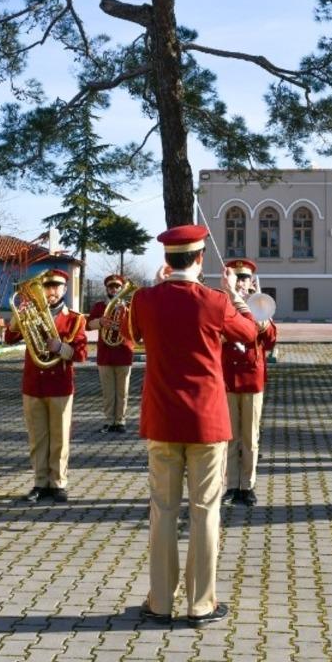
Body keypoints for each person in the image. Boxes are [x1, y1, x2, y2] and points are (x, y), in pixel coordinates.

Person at [126, 224, 257, 626]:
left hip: (162, 418)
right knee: (205, 512)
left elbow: (133, 335)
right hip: (206, 421)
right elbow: (251, 334)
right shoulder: (215, 301)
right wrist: (236, 296)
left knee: (163, 511)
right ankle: (201, 604)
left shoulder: (144, 299)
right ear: (200, 259)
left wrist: (153, 290)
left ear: (166, 261)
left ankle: (160, 602)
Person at [5, 269, 88, 503]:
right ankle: (40, 482)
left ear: (64, 289)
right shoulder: (29, 314)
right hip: (33, 383)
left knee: (59, 437)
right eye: (47, 286)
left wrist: (60, 347)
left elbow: (81, 354)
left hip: (60, 384)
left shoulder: (75, 318)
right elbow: (9, 338)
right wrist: (18, 315)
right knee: (37, 437)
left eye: (56, 286)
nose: (51, 291)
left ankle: (58, 482)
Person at [221, 259, 279, 507]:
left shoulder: (259, 305)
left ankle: (248, 485)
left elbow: (270, 338)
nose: (242, 283)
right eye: (238, 278)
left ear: (252, 282)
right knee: (230, 437)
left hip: (252, 377)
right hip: (228, 378)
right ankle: (231, 485)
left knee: (250, 437)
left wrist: (256, 307)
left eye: (245, 279)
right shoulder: (222, 303)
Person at [86, 273, 135, 434]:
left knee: (123, 391)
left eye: (117, 287)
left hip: (123, 352)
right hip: (106, 354)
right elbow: (88, 325)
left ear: (122, 288)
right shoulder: (100, 306)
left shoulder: (128, 306)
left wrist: (121, 326)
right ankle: (108, 420)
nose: (114, 289)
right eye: (111, 286)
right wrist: (101, 322)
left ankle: (120, 421)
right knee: (108, 392)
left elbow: (135, 328)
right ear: (106, 288)